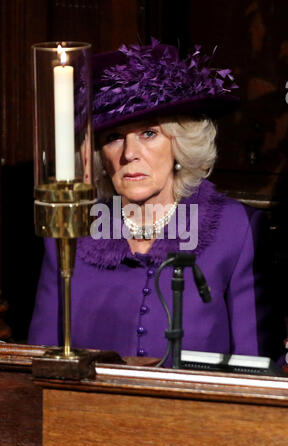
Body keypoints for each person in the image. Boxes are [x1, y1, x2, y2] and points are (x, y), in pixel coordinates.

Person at [28, 39, 285, 366]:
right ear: (99, 157)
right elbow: (40, 364)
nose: (129, 153)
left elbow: (258, 372)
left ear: (180, 145)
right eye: (113, 137)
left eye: (148, 133)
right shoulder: (70, 232)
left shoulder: (236, 230)